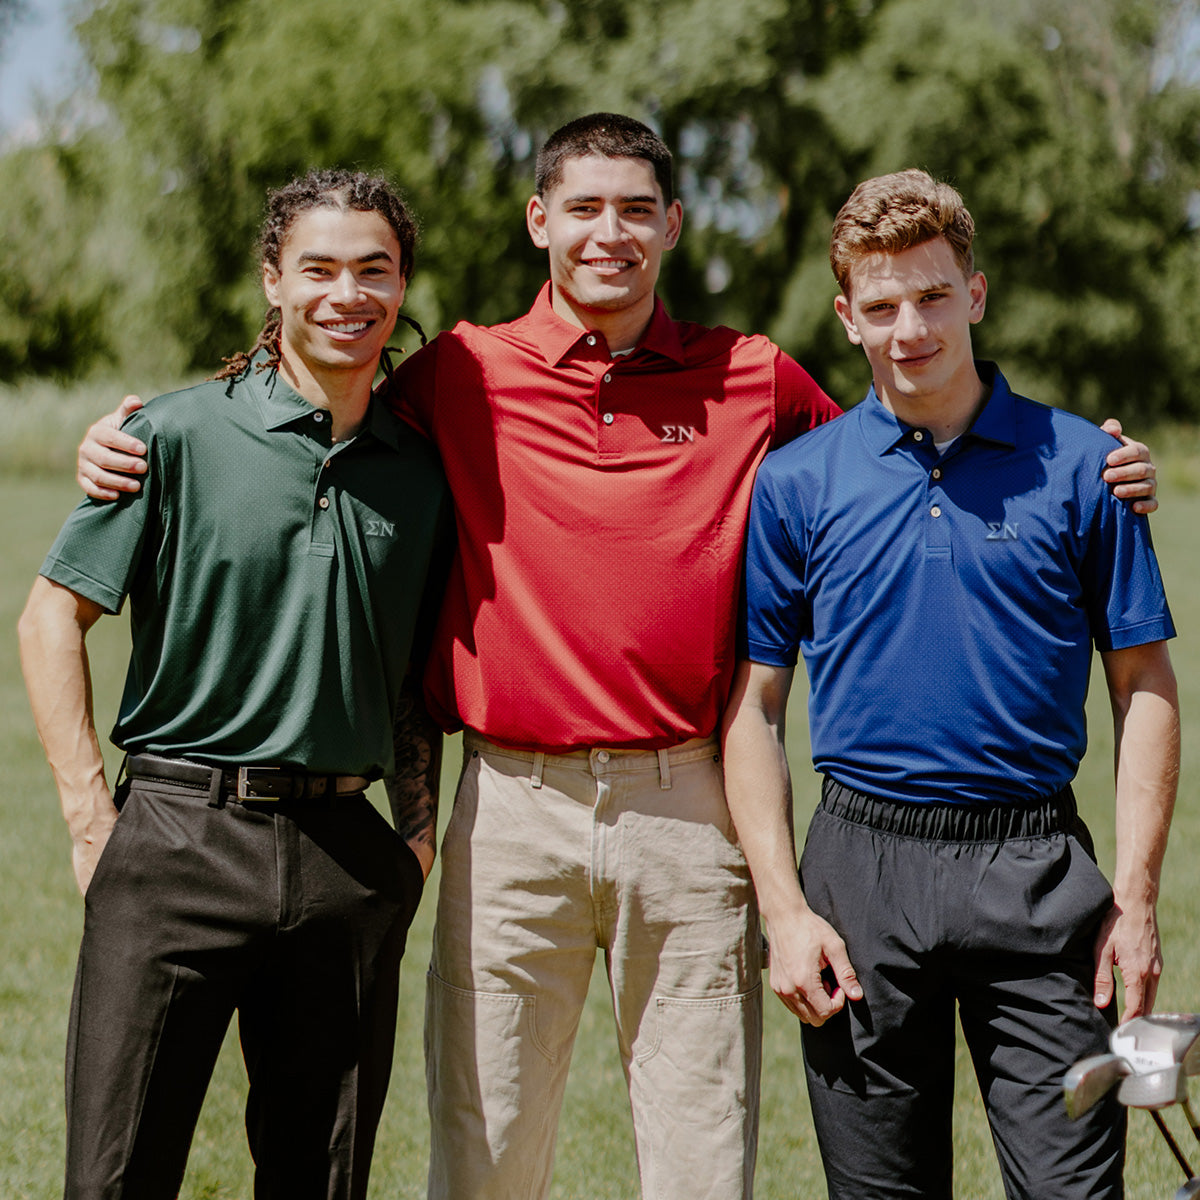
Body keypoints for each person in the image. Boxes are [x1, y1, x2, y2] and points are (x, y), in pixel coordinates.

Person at [74, 120, 1160, 1200]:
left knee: (699, 1165)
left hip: (689, 808)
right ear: (539, 220)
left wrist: (1089, 462)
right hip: (509, 807)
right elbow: (319, 403)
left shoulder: (752, 377)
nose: (610, 233)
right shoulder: (461, 370)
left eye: (636, 209)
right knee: (484, 1163)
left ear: (673, 225)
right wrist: (135, 438)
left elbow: (898, 453)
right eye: (583, 208)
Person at [722, 168, 1180, 1200]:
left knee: (1074, 1191)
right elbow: (753, 711)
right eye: (879, 306)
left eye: (932, 296)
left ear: (975, 292)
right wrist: (784, 910)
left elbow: (1145, 684)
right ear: (846, 317)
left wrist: (1139, 899)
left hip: (1037, 871)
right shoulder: (799, 482)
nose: (907, 329)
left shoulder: (1082, 467)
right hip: (861, 879)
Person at [19, 169, 453, 1200]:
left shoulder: (421, 474)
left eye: (374, 271)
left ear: (401, 286)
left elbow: (406, 681)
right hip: (176, 836)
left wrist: (415, 839)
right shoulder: (171, 436)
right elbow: (49, 619)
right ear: (273, 280)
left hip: (349, 861)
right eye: (320, 269)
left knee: (323, 1177)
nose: (348, 294)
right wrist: (91, 820)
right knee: (117, 1175)